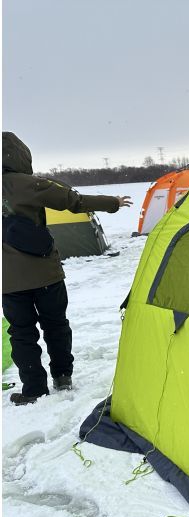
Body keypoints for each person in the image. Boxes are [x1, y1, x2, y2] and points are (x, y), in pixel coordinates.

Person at [2, 132, 132, 406]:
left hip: (8, 281)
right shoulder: (31, 184)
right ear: (22, 156)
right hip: (45, 273)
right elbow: (75, 202)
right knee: (56, 325)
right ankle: (62, 377)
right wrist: (113, 203)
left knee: (21, 333)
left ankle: (33, 390)